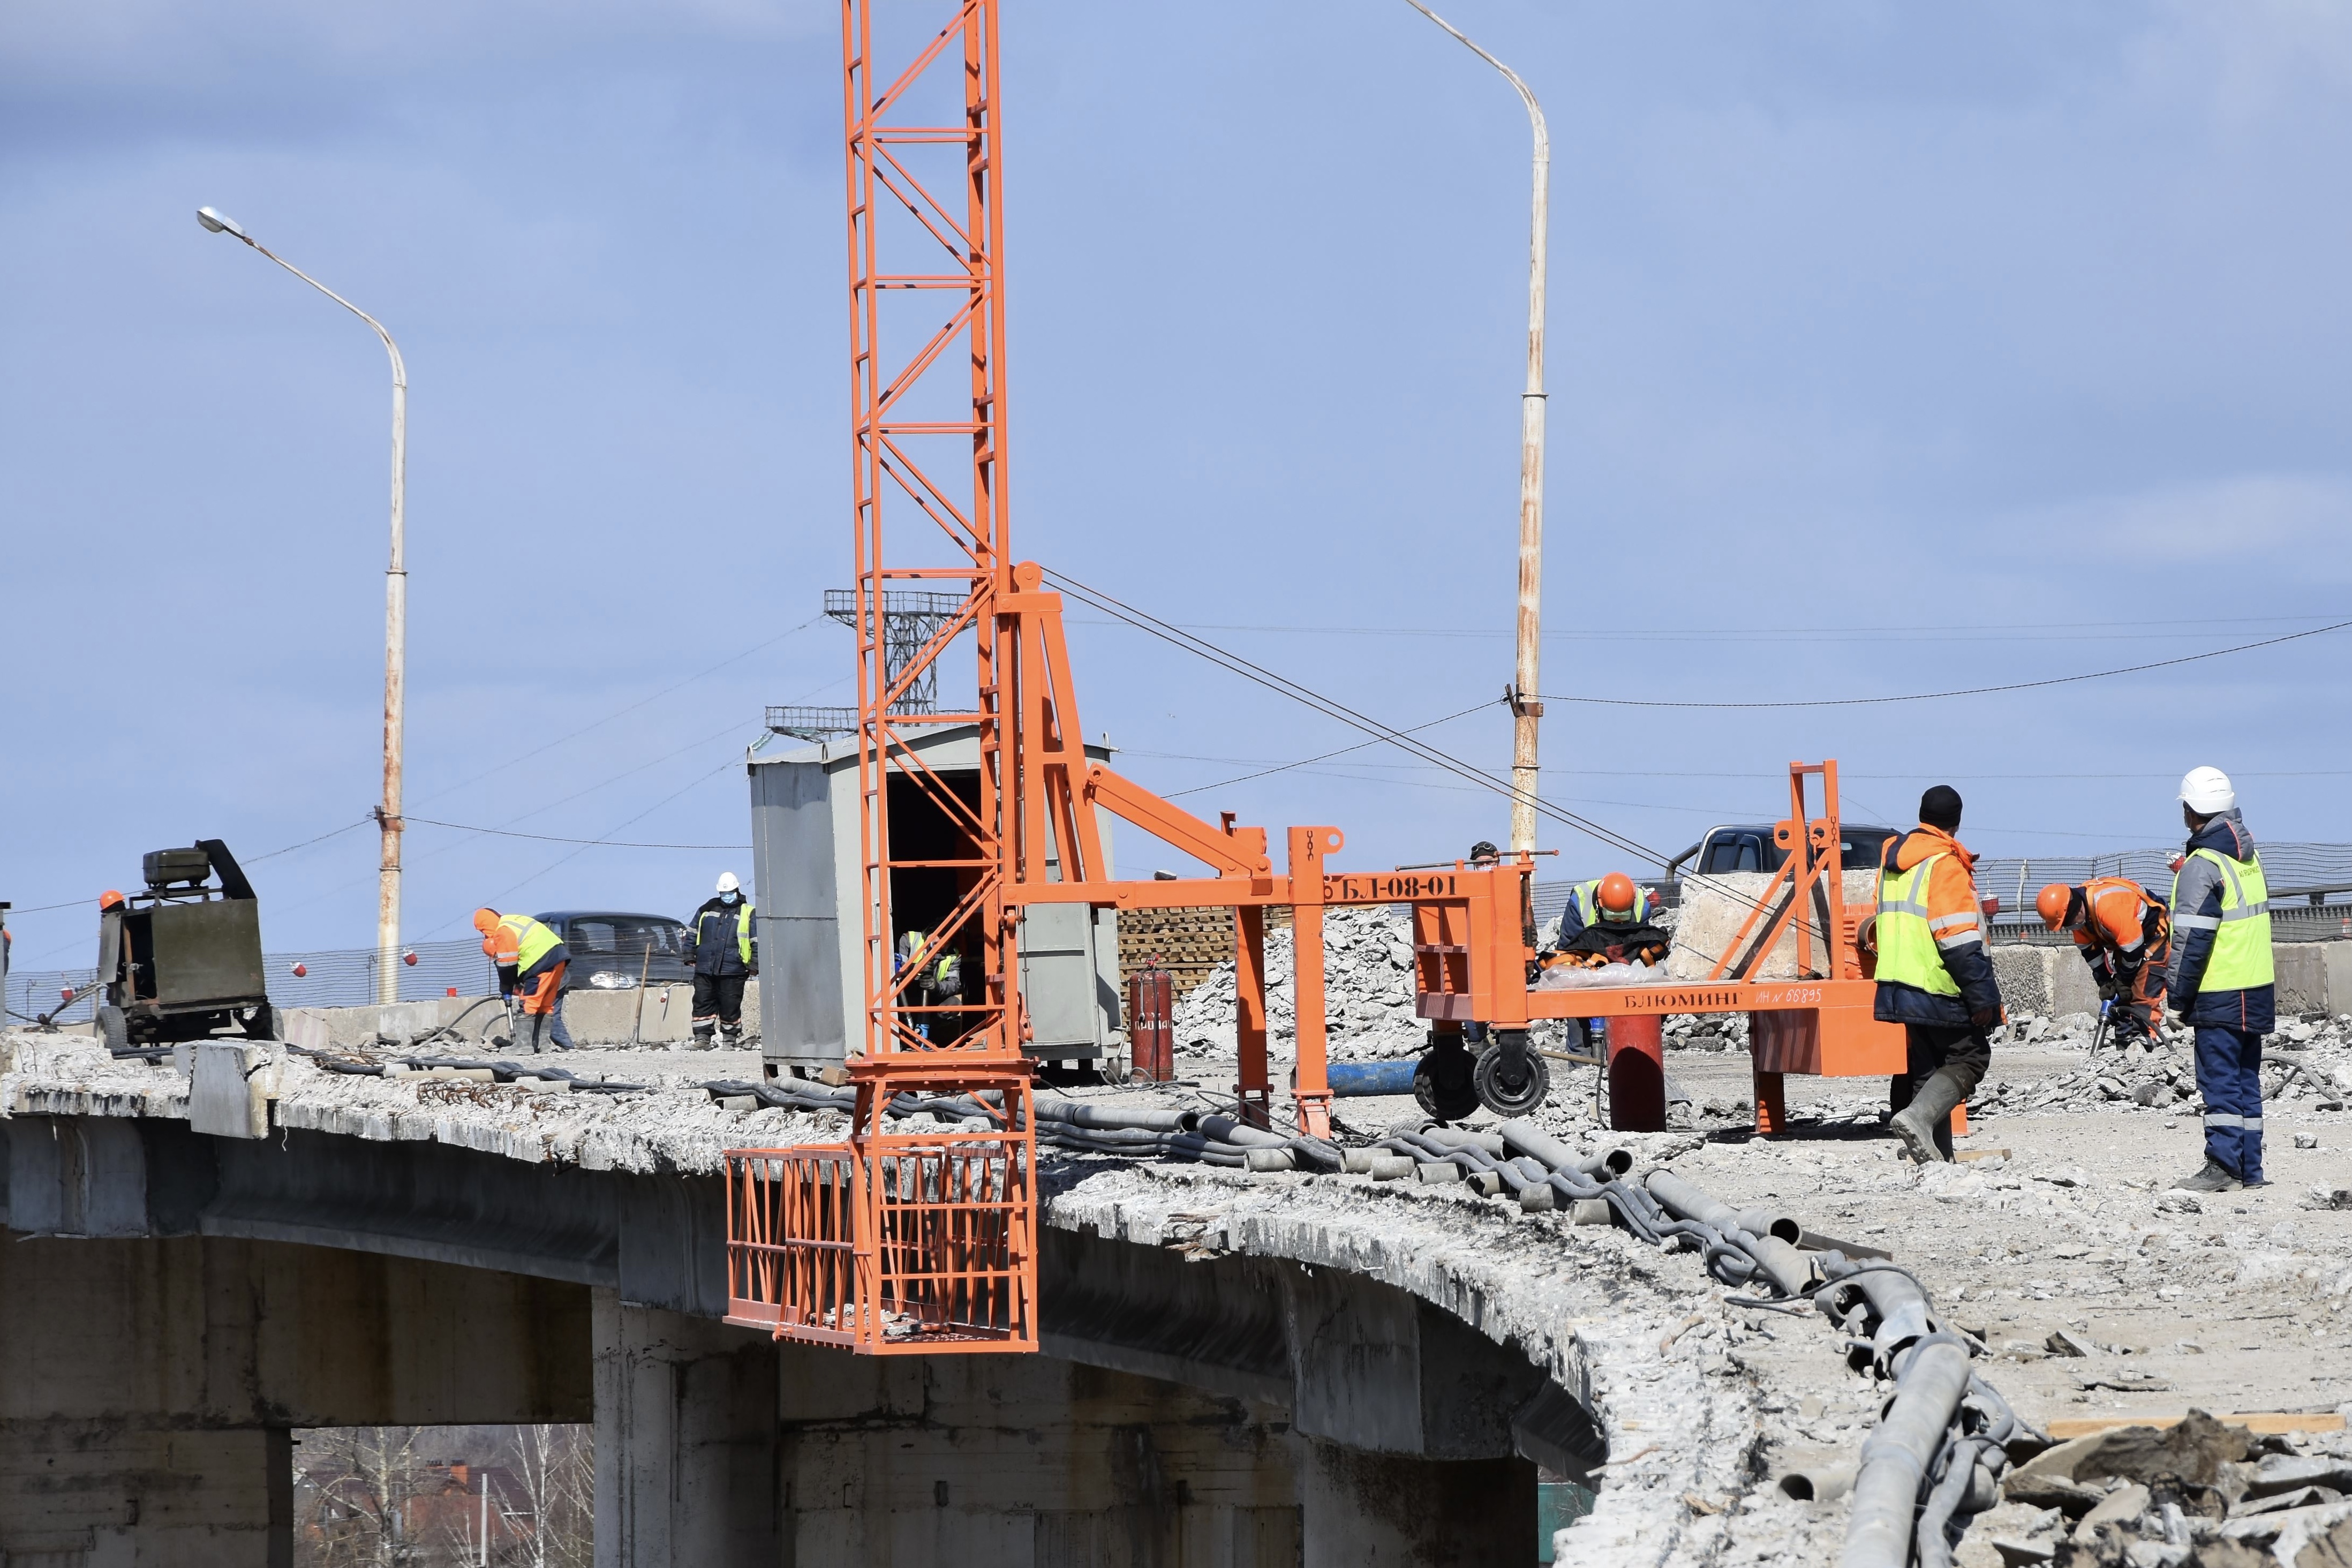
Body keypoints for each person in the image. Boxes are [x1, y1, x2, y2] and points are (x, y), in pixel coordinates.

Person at [1873, 785, 2003, 1163]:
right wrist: (1983, 998)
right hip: (1938, 982)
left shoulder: (1895, 862)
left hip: (1899, 981)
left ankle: (1935, 1162)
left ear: (1922, 816)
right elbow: (1959, 940)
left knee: (1926, 1069)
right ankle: (1917, 1117)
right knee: (1971, 1057)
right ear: (1957, 823)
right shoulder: (1943, 864)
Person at [2165, 766, 2273, 1193]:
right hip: (2257, 987)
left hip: (2220, 990)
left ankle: (2223, 1167)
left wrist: (2177, 999)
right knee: (2246, 1079)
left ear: (2190, 812)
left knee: (2221, 1082)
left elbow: (2192, 941)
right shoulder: (2248, 856)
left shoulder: (2202, 864)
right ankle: (2250, 1169)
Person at [2035, 877, 2170, 1045]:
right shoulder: (2080, 919)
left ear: (2076, 910)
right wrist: (2105, 982)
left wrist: (2123, 981)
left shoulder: (2109, 907)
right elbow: (2091, 953)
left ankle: (2144, 1041)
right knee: (2120, 995)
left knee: (2143, 991)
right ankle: (2124, 1042)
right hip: (2126, 942)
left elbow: (2134, 951)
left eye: (2068, 924)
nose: (2069, 928)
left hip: (2152, 935)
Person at [474, 907, 569, 1055]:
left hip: (541, 961)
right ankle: (543, 1046)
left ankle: (523, 1046)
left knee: (529, 1004)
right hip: (558, 957)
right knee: (545, 1004)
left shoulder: (502, 932)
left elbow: (507, 965)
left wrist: (506, 986)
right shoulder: (512, 920)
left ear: (484, 926)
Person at [683, 871, 757, 1049]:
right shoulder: (706, 909)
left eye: (730, 892)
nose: (727, 896)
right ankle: (702, 1039)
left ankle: (729, 1040)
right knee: (703, 1001)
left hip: (734, 968)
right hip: (705, 967)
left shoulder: (748, 912)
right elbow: (692, 933)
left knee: (730, 1004)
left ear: (737, 890)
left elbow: (756, 940)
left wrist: (754, 964)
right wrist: (689, 955)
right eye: (724, 893)